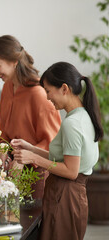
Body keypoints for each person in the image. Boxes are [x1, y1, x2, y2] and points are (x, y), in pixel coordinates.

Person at [12, 62, 103, 240]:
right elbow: (64, 159)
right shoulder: (83, 115)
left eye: (48, 91)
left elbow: (70, 171)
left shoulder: (72, 123)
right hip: (71, 195)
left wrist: (34, 159)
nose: (47, 97)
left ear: (64, 88)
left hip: (64, 197)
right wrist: (31, 148)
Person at [0, 35, 61, 199]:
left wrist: (24, 158)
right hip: (11, 173)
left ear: (14, 62)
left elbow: (53, 143)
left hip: (37, 175)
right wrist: (2, 151)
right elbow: (3, 131)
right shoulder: (7, 87)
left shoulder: (39, 93)